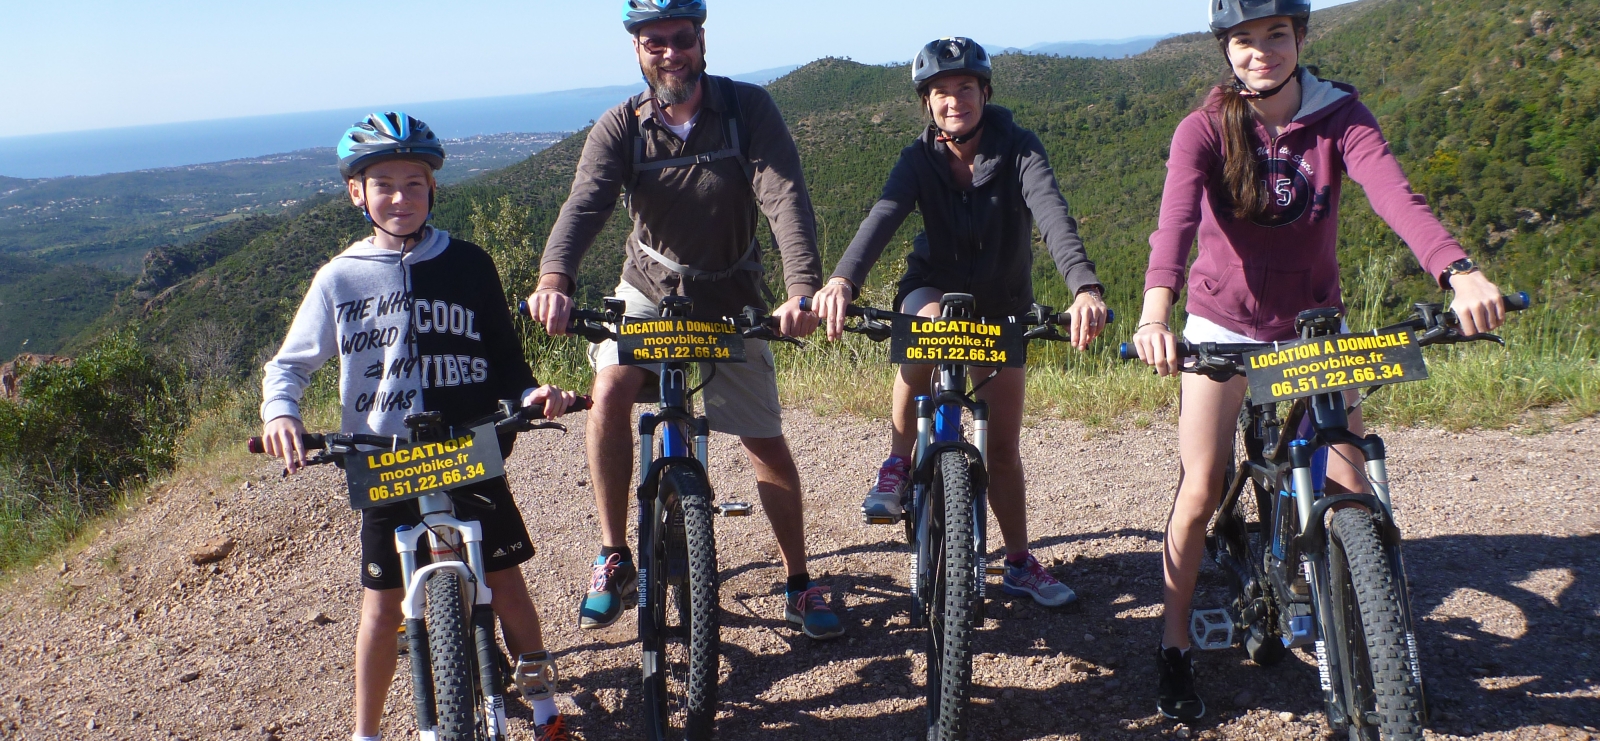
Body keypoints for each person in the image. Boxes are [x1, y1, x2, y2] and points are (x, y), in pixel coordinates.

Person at [1129, 0, 1508, 721]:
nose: (1260, 52)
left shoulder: (1341, 116)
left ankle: (1375, 638)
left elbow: (1396, 194)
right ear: (1224, 48)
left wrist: (1458, 271)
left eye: (1275, 35)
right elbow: (1174, 223)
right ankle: (1174, 643)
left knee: (1350, 482)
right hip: (1224, 325)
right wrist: (1157, 312)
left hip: (1313, 330)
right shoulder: (1204, 128)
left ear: (1300, 37)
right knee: (1202, 487)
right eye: (1243, 39)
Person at [526, 0, 844, 640]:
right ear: (637, 52)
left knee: (762, 437)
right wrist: (553, 279)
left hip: (732, 295)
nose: (669, 53)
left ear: (702, 41)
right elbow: (585, 204)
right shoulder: (622, 126)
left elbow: (783, 198)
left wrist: (802, 289)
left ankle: (799, 581)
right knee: (613, 387)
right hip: (649, 287)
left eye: (680, 39)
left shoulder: (747, 109)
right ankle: (614, 554)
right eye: (654, 43)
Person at [259, 112, 581, 741]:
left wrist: (532, 393)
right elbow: (290, 364)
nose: (399, 197)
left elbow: (506, 358)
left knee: (507, 586)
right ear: (357, 193)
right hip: (384, 456)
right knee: (380, 609)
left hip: (468, 446)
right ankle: (366, 732)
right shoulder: (340, 277)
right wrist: (281, 413)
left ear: (433, 189)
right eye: (383, 184)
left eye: (414, 183)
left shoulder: (469, 264)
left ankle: (545, 711)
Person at [813, 37, 1110, 609]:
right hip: (932, 285)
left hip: (1001, 306)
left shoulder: (1020, 149)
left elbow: (1053, 215)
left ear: (985, 92)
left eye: (966, 88)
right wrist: (843, 280)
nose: (955, 101)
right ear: (927, 102)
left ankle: (1019, 561)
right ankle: (899, 460)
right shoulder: (917, 160)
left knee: (1001, 447)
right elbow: (882, 217)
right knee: (922, 332)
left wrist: (1086, 288)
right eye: (942, 92)